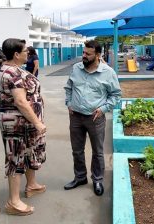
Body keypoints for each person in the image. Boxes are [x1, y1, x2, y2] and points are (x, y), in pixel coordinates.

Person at [64, 40, 121, 196]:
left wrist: (103, 109)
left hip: (95, 118)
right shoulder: (76, 68)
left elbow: (115, 95)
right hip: (75, 116)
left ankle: (97, 179)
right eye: (83, 53)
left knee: (98, 152)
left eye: (88, 54)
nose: (84, 56)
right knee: (77, 150)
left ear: (97, 55)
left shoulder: (108, 73)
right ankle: (80, 177)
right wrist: (68, 102)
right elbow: (68, 87)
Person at [0, 38, 46, 216]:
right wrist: (37, 122)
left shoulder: (15, 69)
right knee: (15, 157)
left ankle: (31, 184)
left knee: (29, 151)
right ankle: (14, 202)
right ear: (16, 54)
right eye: (26, 51)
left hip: (24, 123)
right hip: (17, 123)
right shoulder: (12, 74)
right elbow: (20, 102)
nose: (29, 53)